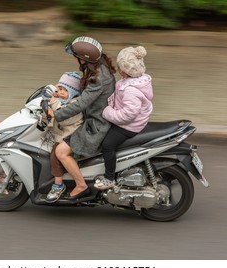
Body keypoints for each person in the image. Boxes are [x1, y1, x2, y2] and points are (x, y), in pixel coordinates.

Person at [48, 36, 116, 200]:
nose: (74, 58)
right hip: (95, 118)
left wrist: (56, 113)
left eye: (76, 56)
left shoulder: (98, 78)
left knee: (61, 151)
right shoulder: (99, 68)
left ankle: (81, 185)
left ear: (84, 59)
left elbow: (81, 104)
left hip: (96, 125)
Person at [94, 46, 154, 190]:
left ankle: (109, 178)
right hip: (135, 119)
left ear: (125, 70)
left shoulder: (130, 90)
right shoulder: (138, 80)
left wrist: (107, 112)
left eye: (120, 65)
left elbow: (127, 115)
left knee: (107, 144)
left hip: (130, 126)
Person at [42, 72, 84, 203]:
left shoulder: (75, 105)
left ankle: (58, 185)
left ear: (72, 92)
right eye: (59, 89)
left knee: (56, 154)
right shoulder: (62, 101)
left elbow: (63, 118)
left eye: (64, 90)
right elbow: (51, 115)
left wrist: (53, 103)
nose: (60, 93)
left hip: (72, 136)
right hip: (63, 135)